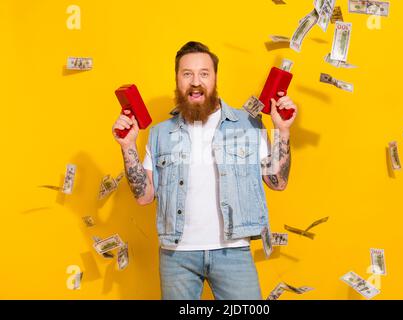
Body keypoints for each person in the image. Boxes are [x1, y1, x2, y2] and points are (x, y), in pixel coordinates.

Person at [112, 41, 298, 299]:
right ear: (177, 79)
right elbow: (144, 196)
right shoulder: (160, 134)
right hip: (177, 257)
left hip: (232, 252)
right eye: (187, 74)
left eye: (204, 73)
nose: (195, 81)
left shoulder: (247, 125)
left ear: (215, 78)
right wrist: (128, 145)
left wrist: (282, 130)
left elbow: (277, 182)